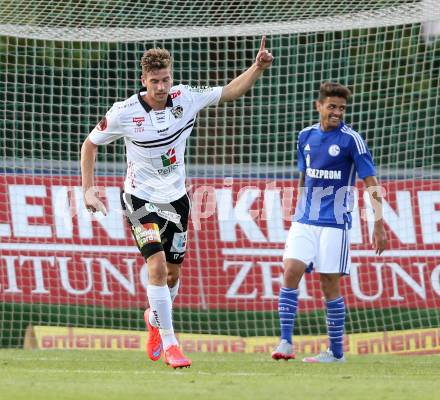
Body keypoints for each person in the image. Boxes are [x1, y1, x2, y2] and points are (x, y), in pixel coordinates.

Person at [81, 37, 273, 368]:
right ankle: (171, 343)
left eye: (165, 79)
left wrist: (256, 68)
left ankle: (155, 319)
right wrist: (88, 188)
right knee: (154, 267)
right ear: (143, 81)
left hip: (177, 201)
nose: (160, 86)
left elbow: (229, 91)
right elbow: (90, 144)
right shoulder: (123, 113)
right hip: (138, 198)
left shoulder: (185, 97)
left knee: (171, 275)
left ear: (172, 77)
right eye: (154, 81)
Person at [272, 82, 387, 363]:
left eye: (342, 108)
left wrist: (379, 223)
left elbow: (370, 181)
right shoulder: (305, 136)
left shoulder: (351, 140)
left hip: (335, 223)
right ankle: (286, 342)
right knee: (290, 271)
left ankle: (336, 353)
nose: (337, 112)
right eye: (332, 106)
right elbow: (303, 174)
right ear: (319, 106)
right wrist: (298, 204)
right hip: (305, 219)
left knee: (328, 284)